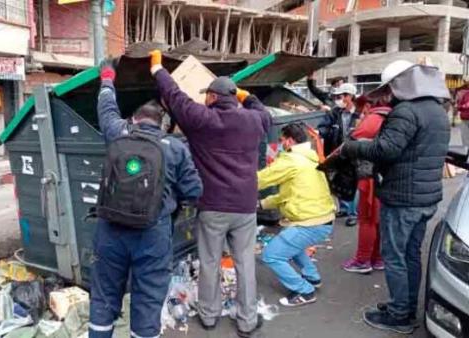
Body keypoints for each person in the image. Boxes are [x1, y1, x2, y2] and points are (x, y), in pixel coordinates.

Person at [149, 50, 270, 337]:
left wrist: (157, 69)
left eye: (207, 95)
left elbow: (175, 96)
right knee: (245, 264)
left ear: (213, 98)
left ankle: (208, 315)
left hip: (213, 206)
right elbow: (263, 112)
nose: (204, 98)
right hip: (244, 207)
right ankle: (247, 320)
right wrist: (244, 94)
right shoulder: (253, 120)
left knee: (210, 262)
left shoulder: (203, 120)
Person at [89, 62, 203, 338]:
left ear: (134, 120)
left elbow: (106, 107)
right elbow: (195, 192)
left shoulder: (118, 131)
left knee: (104, 297)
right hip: (153, 234)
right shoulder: (176, 148)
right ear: (162, 124)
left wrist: (107, 76)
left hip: (110, 230)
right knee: (147, 300)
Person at [341, 60, 450, 334]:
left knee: (396, 258)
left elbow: (386, 150)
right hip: (425, 198)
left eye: (390, 87)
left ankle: (400, 315)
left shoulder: (406, 111)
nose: (389, 93)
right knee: (411, 255)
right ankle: (405, 306)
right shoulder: (436, 110)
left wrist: (352, 148)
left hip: (404, 199)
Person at [257, 123, 335, 307]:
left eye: (282, 140)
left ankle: (305, 291)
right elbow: (289, 193)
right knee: (293, 245)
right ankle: (312, 277)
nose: (281, 144)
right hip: (321, 218)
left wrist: (230, 181)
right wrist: (261, 204)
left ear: (290, 140)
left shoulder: (291, 160)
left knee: (271, 255)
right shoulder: (310, 158)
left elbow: (259, 180)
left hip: (310, 221)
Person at [341, 95, 390, 274]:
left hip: (370, 176)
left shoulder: (374, 118)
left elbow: (350, 141)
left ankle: (362, 260)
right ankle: (377, 259)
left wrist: (360, 123)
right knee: (378, 220)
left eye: (363, 108)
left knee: (367, 219)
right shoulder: (393, 116)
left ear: (369, 105)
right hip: (386, 176)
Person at [318, 82, 361, 226]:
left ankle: (353, 213)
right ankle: (343, 208)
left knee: (353, 183)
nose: (338, 99)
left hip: (354, 153)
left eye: (341, 96)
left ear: (350, 97)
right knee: (339, 180)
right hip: (338, 151)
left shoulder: (359, 114)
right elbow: (324, 126)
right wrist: (319, 133)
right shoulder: (335, 113)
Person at [455, 77, 469, 146]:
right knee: (465, 136)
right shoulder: (463, 92)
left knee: (465, 137)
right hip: (464, 117)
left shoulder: (461, 92)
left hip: (465, 117)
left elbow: (458, 106)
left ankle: (466, 151)